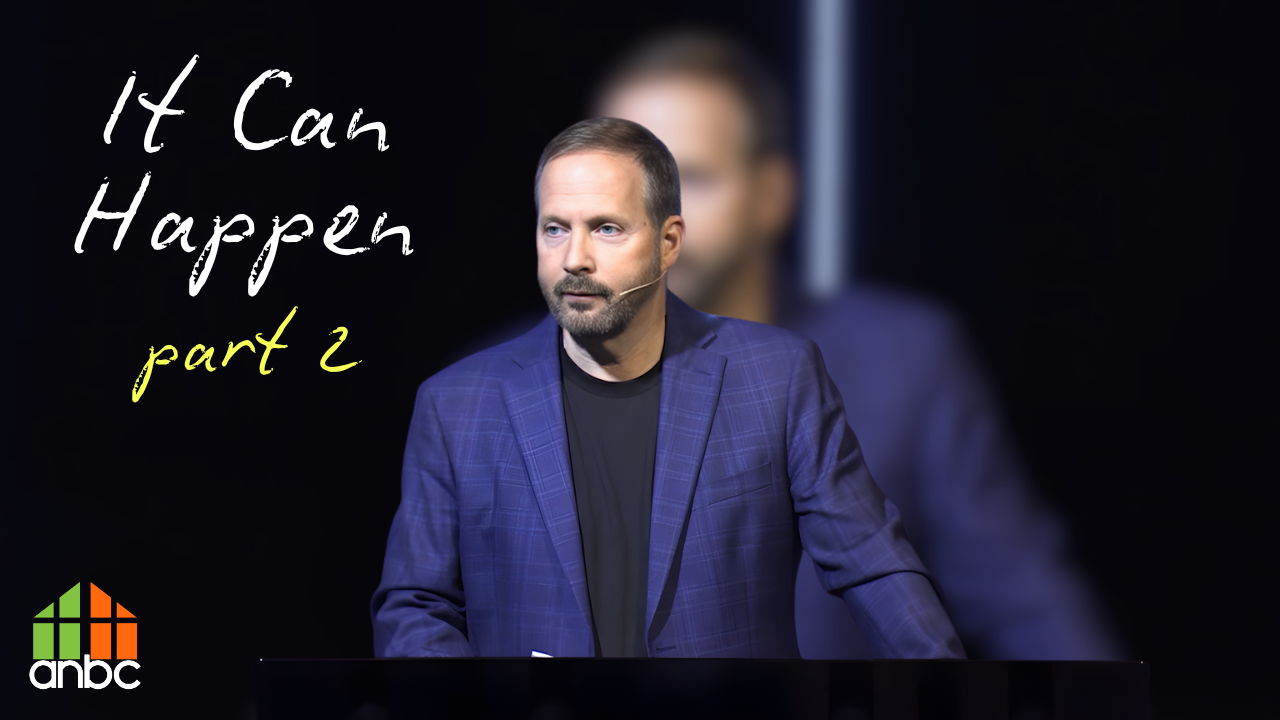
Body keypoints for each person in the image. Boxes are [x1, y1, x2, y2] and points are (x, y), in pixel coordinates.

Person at [592, 31, 1121, 660]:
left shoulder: (906, 363)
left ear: (772, 194)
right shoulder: (511, 385)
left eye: (691, 179)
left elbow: (1027, 603)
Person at [371, 118, 965, 659]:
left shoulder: (777, 377)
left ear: (669, 241)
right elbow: (416, 606)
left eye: (605, 228)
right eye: (555, 229)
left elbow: (873, 566)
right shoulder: (458, 405)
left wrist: (948, 695)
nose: (574, 258)